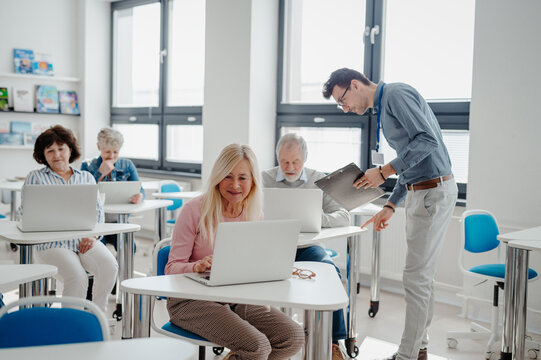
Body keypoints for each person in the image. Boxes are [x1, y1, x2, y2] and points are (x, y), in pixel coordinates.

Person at [323, 68, 458, 360]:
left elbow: (427, 142)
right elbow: (413, 159)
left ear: (356, 85)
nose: (345, 109)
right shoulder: (385, 109)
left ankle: (407, 356)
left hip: (432, 191)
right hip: (422, 191)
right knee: (422, 277)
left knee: (415, 278)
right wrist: (391, 204)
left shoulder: (396, 94)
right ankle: (419, 349)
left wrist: (384, 171)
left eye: (343, 100)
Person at [165, 144, 305, 360]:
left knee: (292, 338)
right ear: (218, 178)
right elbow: (171, 268)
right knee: (257, 347)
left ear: (253, 181)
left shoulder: (253, 213)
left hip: (235, 296)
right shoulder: (194, 210)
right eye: (228, 177)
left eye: (243, 178)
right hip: (190, 300)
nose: (235, 185)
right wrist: (196, 266)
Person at [261, 133, 349, 360]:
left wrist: (314, 218)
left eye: (295, 162)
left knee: (331, 272)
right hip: (270, 248)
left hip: (307, 249)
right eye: (284, 161)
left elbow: (343, 216)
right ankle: (245, 337)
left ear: (305, 158)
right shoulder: (263, 179)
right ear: (277, 157)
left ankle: (333, 342)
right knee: (245, 277)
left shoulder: (319, 180)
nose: (290, 167)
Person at [21, 125, 118, 312]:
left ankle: (96, 315)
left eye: (61, 148)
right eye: (50, 150)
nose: (56, 155)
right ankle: (71, 325)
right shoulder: (36, 178)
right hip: (51, 243)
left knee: (109, 265)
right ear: (43, 155)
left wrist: (93, 237)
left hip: (84, 240)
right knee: (77, 276)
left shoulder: (86, 178)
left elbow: (98, 213)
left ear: (70, 149)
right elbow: (27, 213)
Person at [81, 127, 145, 251]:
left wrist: (140, 196)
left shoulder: (127, 165)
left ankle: (119, 268)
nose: (111, 156)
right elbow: (83, 194)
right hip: (97, 222)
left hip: (119, 220)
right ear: (99, 147)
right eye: (107, 152)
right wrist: (100, 174)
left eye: (115, 152)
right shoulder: (87, 165)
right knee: (96, 249)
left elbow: (139, 189)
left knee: (130, 248)